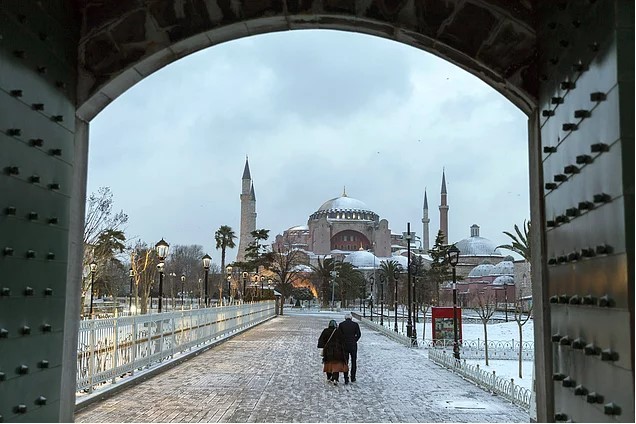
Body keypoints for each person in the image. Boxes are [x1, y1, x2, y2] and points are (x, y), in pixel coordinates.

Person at [317, 319, 348, 385]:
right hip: (338, 350)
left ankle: (329, 377)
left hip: (328, 351)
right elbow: (343, 340)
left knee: (328, 363)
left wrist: (324, 346)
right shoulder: (338, 331)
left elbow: (321, 341)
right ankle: (335, 378)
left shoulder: (325, 331)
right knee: (336, 364)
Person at [338, 312, 361, 384]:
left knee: (345, 362)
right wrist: (354, 340)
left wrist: (342, 341)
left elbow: (339, 335)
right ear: (351, 318)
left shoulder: (341, 325)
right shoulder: (355, 324)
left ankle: (346, 378)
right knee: (354, 361)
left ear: (345, 318)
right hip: (353, 345)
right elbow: (359, 334)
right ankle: (353, 377)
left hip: (344, 345)